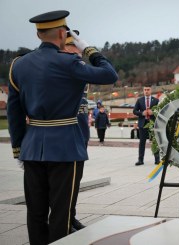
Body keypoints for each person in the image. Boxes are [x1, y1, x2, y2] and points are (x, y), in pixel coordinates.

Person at [7, 10, 118, 244]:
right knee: (61, 213)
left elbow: (14, 111)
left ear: (38, 34)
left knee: (35, 213)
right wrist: (89, 49)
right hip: (65, 146)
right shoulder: (69, 62)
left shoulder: (18, 65)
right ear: (62, 32)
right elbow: (109, 74)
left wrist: (18, 146)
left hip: (32, 147)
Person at [64, 30, 88, 232]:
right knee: (64, 186)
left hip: (80, 136)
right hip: (66, 137)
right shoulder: (63, 70)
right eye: (73, 47)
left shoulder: (80, 70)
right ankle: (63, 221)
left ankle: (71, 217)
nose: (78, 52)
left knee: (74, 184)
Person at [133, 84, 160, 165]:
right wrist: (142, 113)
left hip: (152, 124)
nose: (146, 91)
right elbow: (134, 111)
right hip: (142, 124)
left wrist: (153, 112)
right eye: (145, 90)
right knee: (142, 142)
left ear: (151, 90)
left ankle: (157, 159)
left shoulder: (156, 100)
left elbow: (160, 110)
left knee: (154, 142)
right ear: (143, 90)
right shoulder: (139, 100)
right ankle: (140, 160)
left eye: (148, 89)